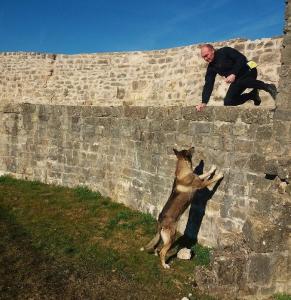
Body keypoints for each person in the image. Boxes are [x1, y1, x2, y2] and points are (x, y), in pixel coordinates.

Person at [196, 44, 278, 112]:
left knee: (242, 81)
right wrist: (204, 102)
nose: (206, 58)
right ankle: (252, 95)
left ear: (212, 50)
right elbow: (208, 84)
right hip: (238, 79)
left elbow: (241, 58)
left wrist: (233, 73)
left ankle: (268, 87)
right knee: (228, 101)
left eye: (206, 55)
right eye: (203, 57)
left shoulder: (225, 51)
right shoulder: (211, 67)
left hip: (248, 69)